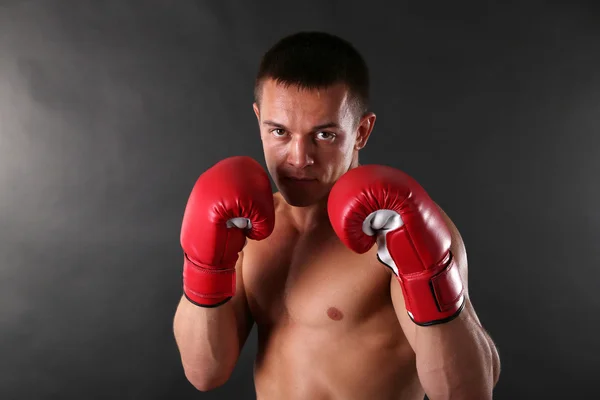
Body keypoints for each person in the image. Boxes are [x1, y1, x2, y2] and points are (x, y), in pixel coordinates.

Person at [173, 31, 501, 400]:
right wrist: (204, 264)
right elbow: (205, 372)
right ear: (259, 119)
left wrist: (429, 277)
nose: (299, 158)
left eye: (324, 135)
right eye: (279, 131)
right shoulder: (243, 226)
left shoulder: (399, 231)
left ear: (361, 131)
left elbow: (469, 393)